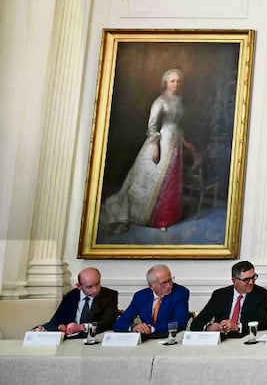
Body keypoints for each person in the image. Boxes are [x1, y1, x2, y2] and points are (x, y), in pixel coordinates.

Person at [100, 68, 194, 234]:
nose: (176, 84)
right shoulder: (160, 101)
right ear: (166, 82)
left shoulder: (179, 101)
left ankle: (168, 217)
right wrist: (156, 147)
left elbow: (177, 126)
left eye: (178, 81)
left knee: (171, 182)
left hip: (175, 146)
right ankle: (156, 219)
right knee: (154, 181)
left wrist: (185, 143)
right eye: (172, 81)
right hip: (162, 143)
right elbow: (152, 126)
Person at [190, 260, 267, 336]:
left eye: (253, 277)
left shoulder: (261, 294)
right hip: (221, 340)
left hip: (245, 340)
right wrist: (209, 328)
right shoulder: (219, 295)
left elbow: (265, 324)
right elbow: (196, 323)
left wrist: (238, 327)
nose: (251, 282)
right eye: (246, 280)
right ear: (234, 281)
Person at [32, 267, 119, 336]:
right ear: (79, 286)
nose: (95, 290)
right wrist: (44, 328)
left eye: (97, 284)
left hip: (94, 339)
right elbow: (57, 319)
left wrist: (81, 327)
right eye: (89, 287)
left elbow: (107, 322)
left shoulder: (109, 295)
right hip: (70, 340)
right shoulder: (71, 296)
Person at [114, 264, 190, 337]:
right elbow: (120, 323)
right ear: (151, 286)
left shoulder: (180, 292)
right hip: (145, 340)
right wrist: (133, 328)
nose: (169, 285)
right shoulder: (140, 296)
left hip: (168, 338)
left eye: (170, 280)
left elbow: (180, 323)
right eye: (164, 283)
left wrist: (152, 328)